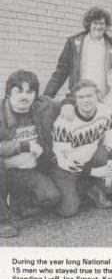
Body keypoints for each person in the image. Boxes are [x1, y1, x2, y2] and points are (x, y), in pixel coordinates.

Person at [0, 70, 61, 238]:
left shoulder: (44, 105)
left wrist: (69, 104)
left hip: (30, 170)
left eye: (29, 92)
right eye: (18, 91)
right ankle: (2, 220)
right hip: (5, 167)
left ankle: (20, 201)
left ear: (35, 95)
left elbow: (70, 101)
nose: (24, 96)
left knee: (52, 197)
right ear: (8, 93)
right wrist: (24, 146)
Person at [52, 80, 112, 217]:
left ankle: (91, 187)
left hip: (90, 158)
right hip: (65, 168)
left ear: (97, 96)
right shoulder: (63, 122)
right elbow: (64, 160)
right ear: (75, 99)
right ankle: (85, 187)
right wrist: (94, 172)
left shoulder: (104, 111)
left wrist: (111, 163)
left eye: (89, 96)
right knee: (68, 210)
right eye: (81, 97)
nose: (86, 100)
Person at [44, 6, 112, 98]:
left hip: (104, 99)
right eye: (95, 23)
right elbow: (61, 72)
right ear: (89, 24)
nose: (98, 27)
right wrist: (47, 96)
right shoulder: (73, 43)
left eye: (102, 23)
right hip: (79, 98)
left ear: (106, 25)